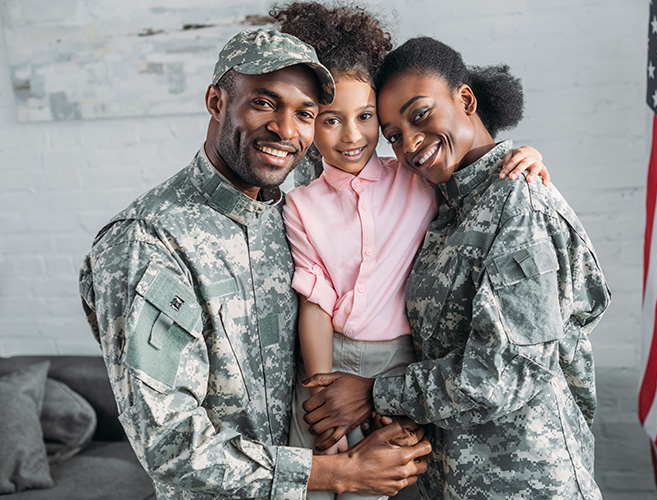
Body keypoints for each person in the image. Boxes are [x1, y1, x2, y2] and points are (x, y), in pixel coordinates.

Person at [78, 28, 431, 500]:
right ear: (216, 101)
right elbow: (170, 446)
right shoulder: (146, 242)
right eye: (264, 103)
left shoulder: (288, 201)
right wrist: (340, 473)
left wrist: (508, 161)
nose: (286, 130)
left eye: (306, 114)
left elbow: (386, 151)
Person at [301, 37, 612, 499]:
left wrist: (373, 393)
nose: (410, 142)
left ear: (465, 99)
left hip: (527, 482)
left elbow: (504, 373)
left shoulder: (520, 203)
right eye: (394, 134)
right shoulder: (442, 204)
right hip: (453, 481)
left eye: (420, 114)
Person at [271, 8, 548, 499]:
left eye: (366, 120)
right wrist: (321, 390)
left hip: (405, 366)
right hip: (333, 359)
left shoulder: (415, 178)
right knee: (323, 478)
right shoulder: (300, 204)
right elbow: (314, 300)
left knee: (389, 483)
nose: (353, 136)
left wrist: (523, 154)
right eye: (331, 120)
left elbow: (471, 172)